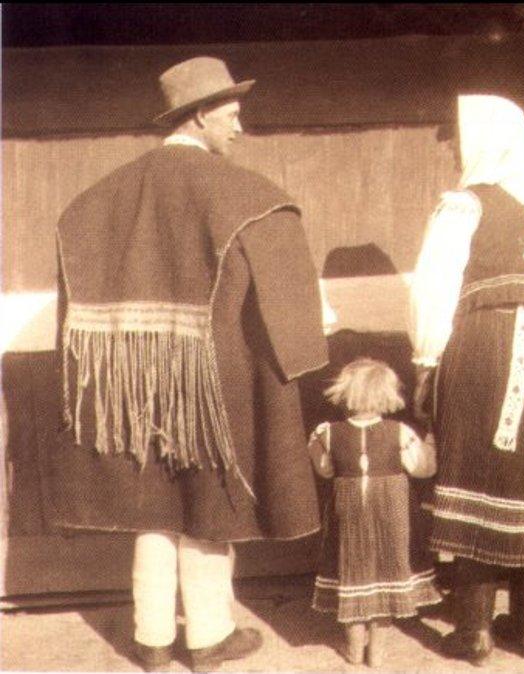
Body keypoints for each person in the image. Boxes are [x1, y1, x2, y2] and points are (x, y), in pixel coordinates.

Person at [48, 56, 329, 672]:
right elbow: (292, 305)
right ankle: (207, 637)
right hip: (212, 378)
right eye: (231, 116)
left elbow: (71, 293)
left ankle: (150, 639)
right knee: (207, 507)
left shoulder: (97, 199)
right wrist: (306, 353)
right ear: (199, 116)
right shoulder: (246, 194)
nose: (240, 129)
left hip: (126, 382)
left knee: (151, 506)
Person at [411, 95, 524, 665]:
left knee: (477, 471)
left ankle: (475, 631)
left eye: (459, 141)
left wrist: (425, 360)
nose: (455, 152)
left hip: (485, 347)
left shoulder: (465, 207)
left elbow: (433, 289)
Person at [308, 358, 442, 667]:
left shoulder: (329, 433)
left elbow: (325, 470)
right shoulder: (400, 432)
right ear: (386, 394)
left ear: (345, 393)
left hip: (349, 510)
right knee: (387, 572)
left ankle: (354, 648)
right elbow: (424, 468)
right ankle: (377, 652)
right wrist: (431, 441)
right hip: (392, 510)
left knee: (352, 570)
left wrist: (319, 447)